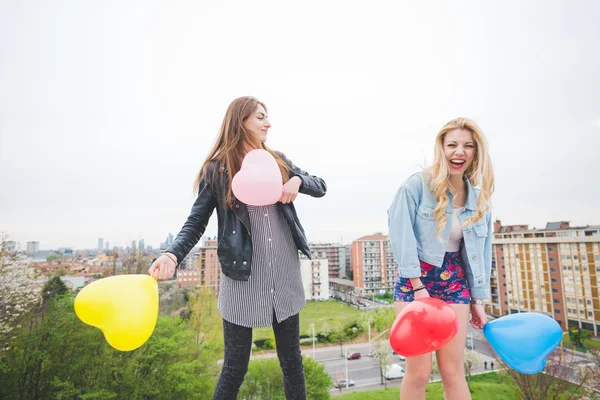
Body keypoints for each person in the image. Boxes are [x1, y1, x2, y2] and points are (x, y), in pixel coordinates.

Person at [148, 96, 327, 399]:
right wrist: (172, 254)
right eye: (260, 117)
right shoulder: (218, 169)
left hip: (284, 274)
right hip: (242, 277)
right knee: (235, 368)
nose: (267, 123)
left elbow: (320, 185)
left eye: (266, 117)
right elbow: (196, 222)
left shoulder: (278, 160)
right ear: (240, 121)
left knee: (292, 363)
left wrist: (297, 180)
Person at [388, 117, 494, 400]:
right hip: (415, 283)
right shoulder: (417, 185)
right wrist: (418, 286)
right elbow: (400, 234)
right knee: (419, 373)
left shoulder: (479, 198)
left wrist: (478, 301)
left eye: (467, 146)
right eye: (452, 145)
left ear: (475, 152)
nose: (459, 152)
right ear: (441, 148)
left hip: (455, 284)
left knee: (452, 372)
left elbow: (482, 254)